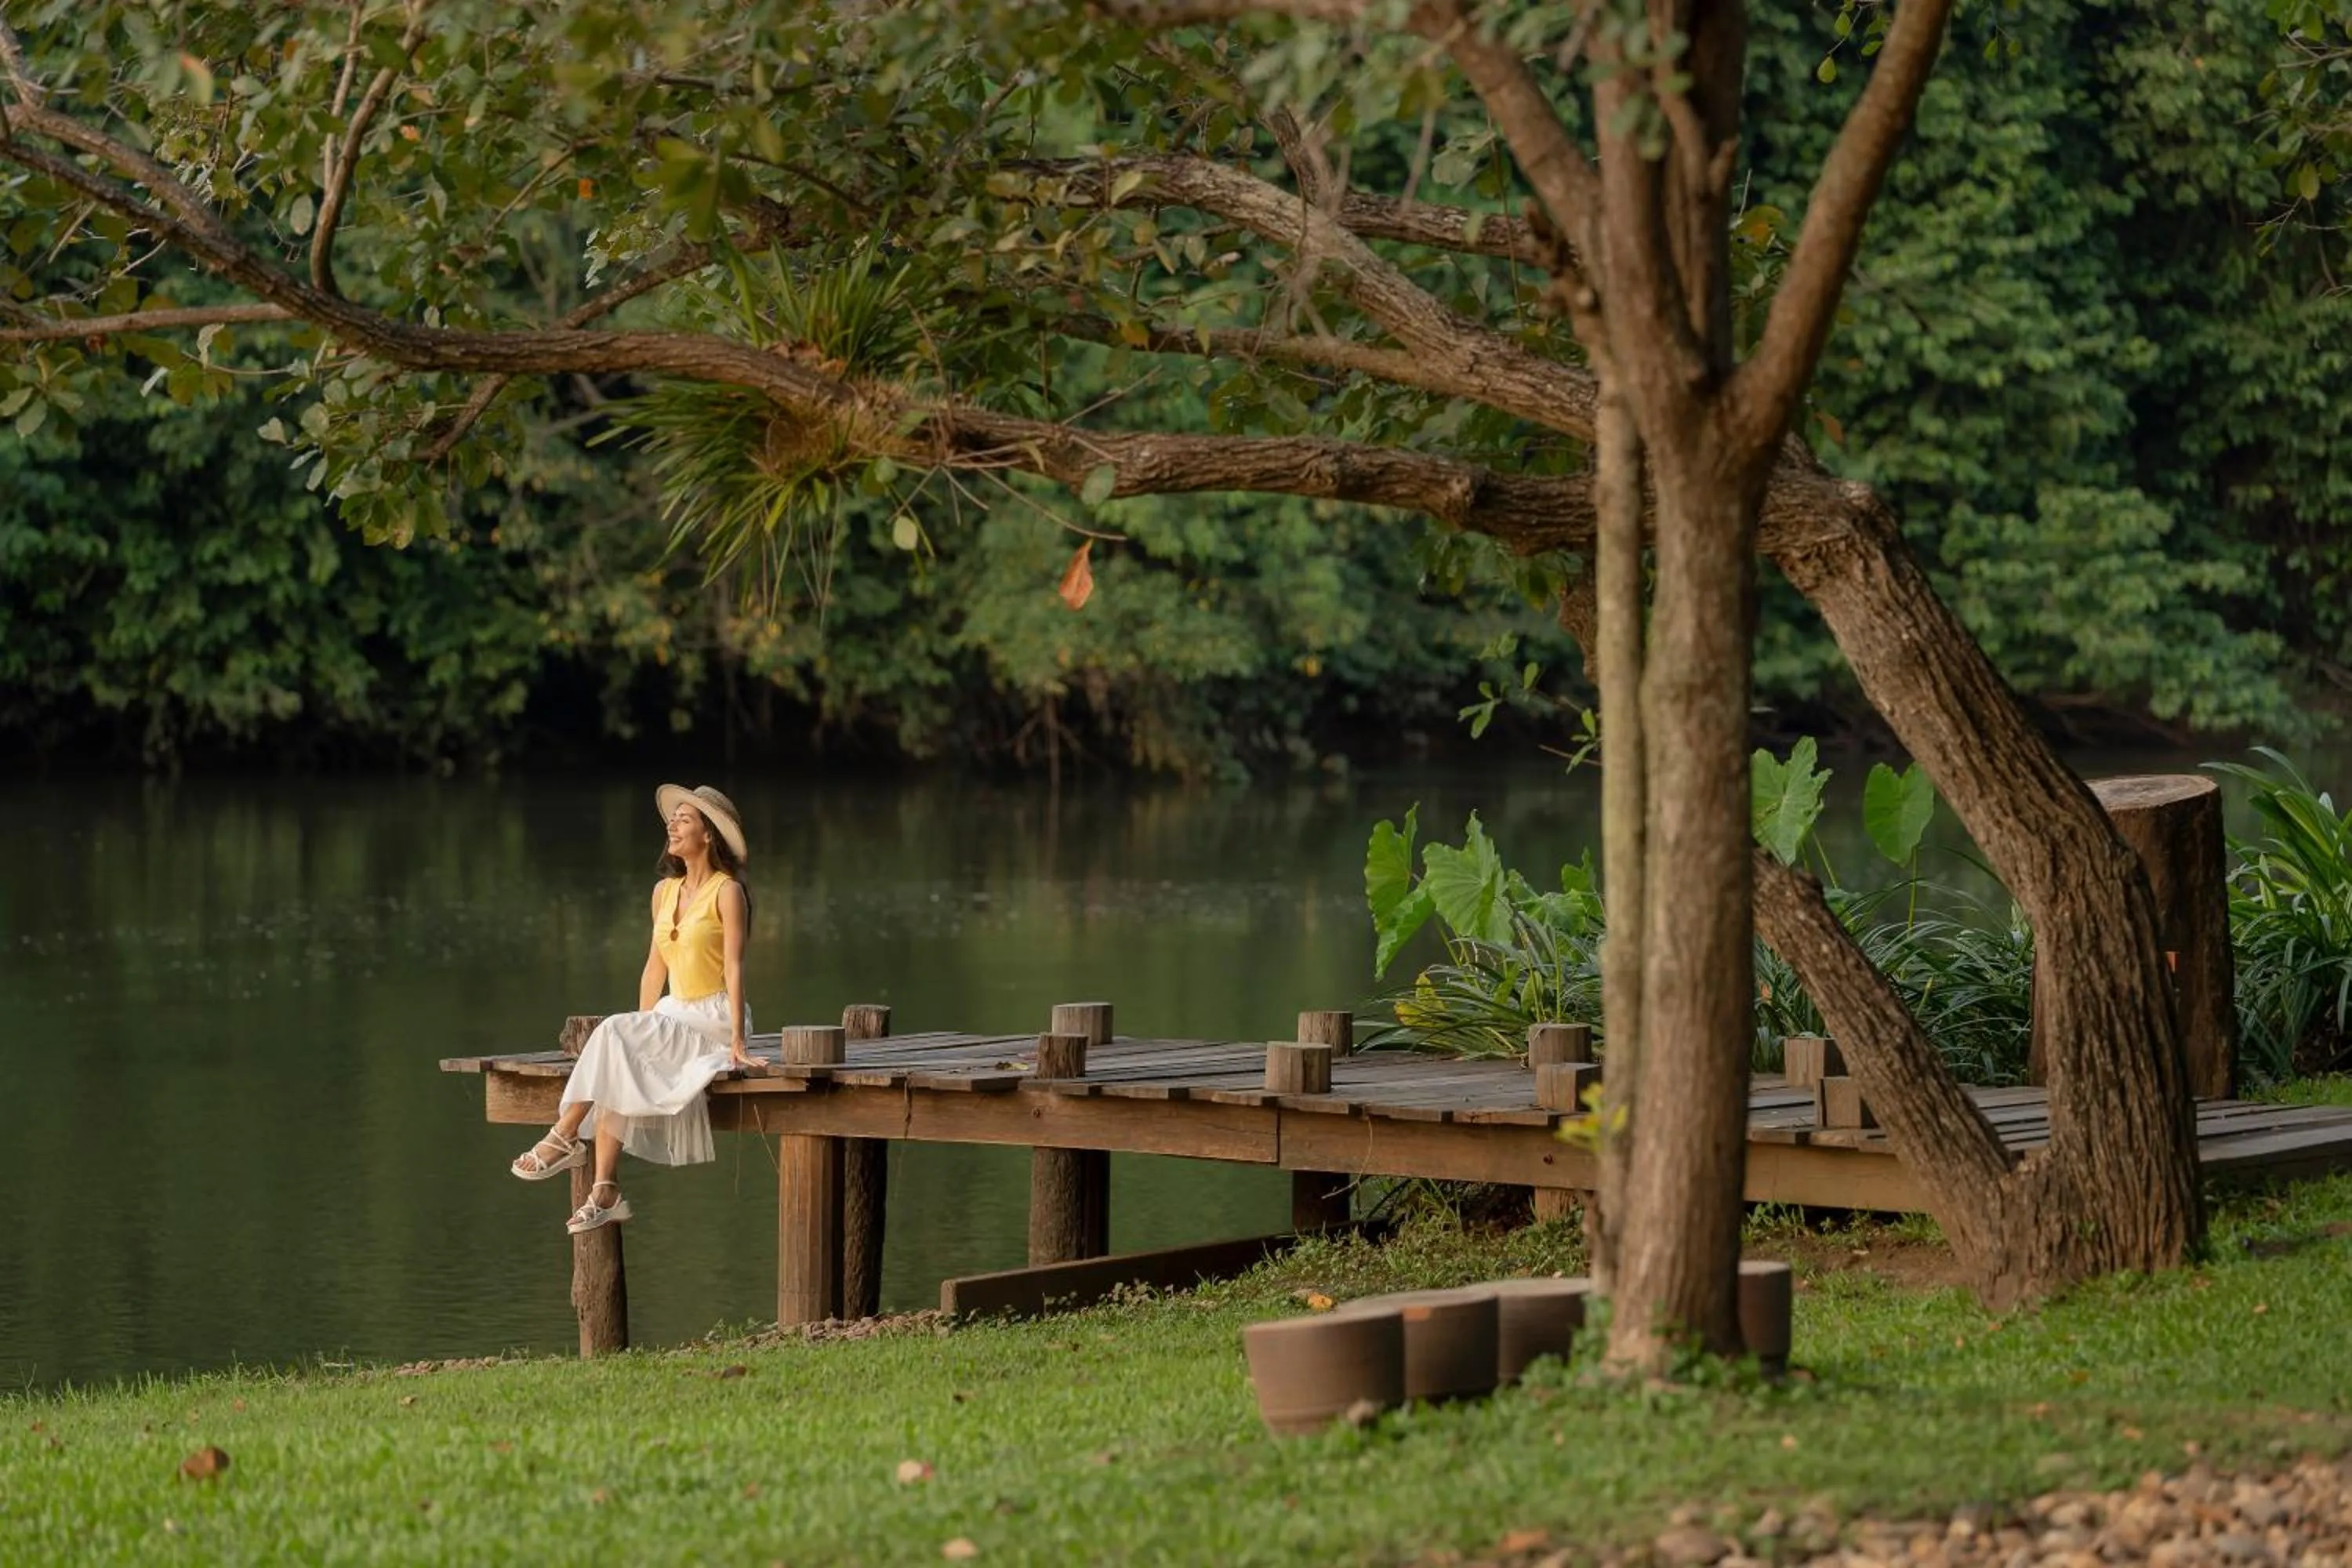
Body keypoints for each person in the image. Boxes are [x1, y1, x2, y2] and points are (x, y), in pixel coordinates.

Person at [507, 784, 757, 1233]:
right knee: (619, 1051)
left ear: (709, 835)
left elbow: (735, 968)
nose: (672, 826)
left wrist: (738, 1039)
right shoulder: (664, 891)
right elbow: (654, 967)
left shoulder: (728, 892)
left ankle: (564, 1135)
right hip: (672, 1011)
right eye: (672, 819)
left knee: (614, 1036)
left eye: (684, 820)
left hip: (714, 1019)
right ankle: (605, 1190)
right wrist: (642, 1027)